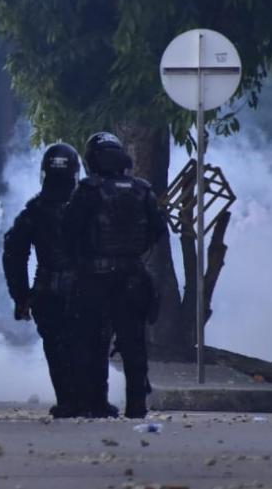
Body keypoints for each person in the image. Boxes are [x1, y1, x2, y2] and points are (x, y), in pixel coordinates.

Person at [63, 132, 166, 419]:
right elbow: (157, 230)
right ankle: (136, 405)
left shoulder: (87, 190)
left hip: (95, 278)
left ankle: (93, 403)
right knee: (134, 343)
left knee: (91, 342)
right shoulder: (142, 189)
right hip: (133, 276)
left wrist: (83, 259)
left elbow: (69, 230)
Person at [2, 143, 83, 418]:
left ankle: (67, 401)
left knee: (55, 347)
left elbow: (13, 255)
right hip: (86, 288)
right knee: (87, 343)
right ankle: (90, 399)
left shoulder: (34, 211)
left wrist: (21, 297)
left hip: (47, 288)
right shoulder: (89, 205)